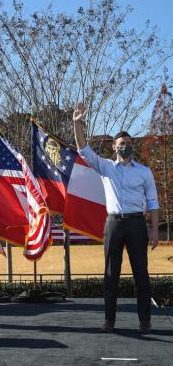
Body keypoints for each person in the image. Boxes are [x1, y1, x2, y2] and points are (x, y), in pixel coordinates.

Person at [73, 103, 159, 334]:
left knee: (141, 274)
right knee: (111, 275)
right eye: (122, 145)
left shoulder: (144, 172)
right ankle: (109, 321)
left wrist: (153, 230)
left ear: (134, 147)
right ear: (114, 147)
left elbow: (152, 203)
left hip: (137, 224)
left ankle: (145, 321)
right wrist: (77, 123)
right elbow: (83, 150)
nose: (126, 148)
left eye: (129, 144)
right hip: (113, 224)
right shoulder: (106, 167)